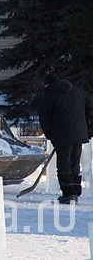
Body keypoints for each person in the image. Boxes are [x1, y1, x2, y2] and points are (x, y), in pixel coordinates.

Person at [39, 72, 93, 204]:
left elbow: (44, 119)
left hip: (62, 136)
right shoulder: (78, 91)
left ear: (48, 84)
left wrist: (51, 135)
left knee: (63, 165)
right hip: (79, 134)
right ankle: (75, 193)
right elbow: (91, 104)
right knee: (75, 163)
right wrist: (87, 127)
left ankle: (68, 194)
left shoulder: (49, 97)